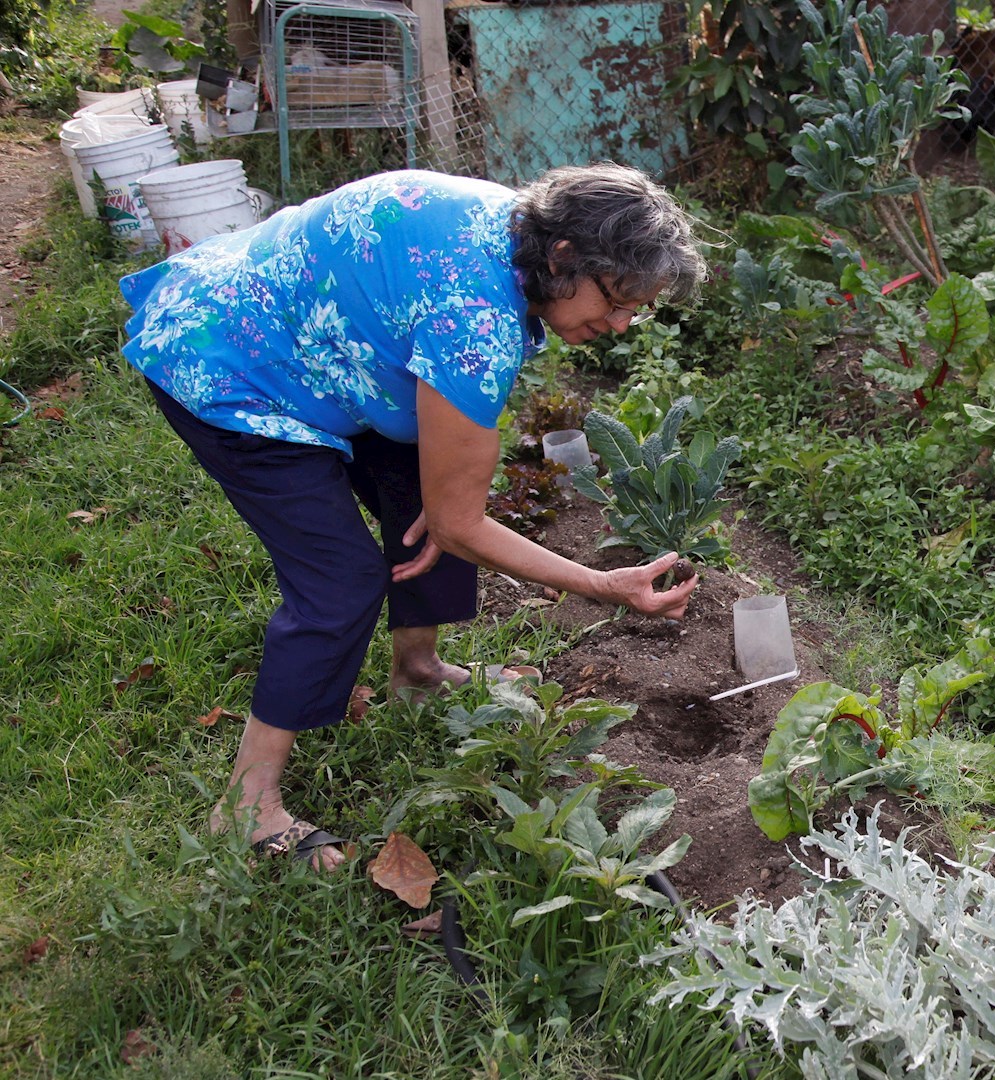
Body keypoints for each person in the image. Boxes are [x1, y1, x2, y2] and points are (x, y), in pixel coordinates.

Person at [119, 164, 704, 870]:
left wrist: (448, 504)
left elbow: (448, 493)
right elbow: (458, 527)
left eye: (635, 309)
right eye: (615, 302)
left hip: (319, 332)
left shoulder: (512, 226)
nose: (619, 324)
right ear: (564, 257)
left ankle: (417, 672)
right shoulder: (475, 320)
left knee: (435, 480)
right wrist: (603, 585)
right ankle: (246, 804)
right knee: (340, 581)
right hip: (231, 360)